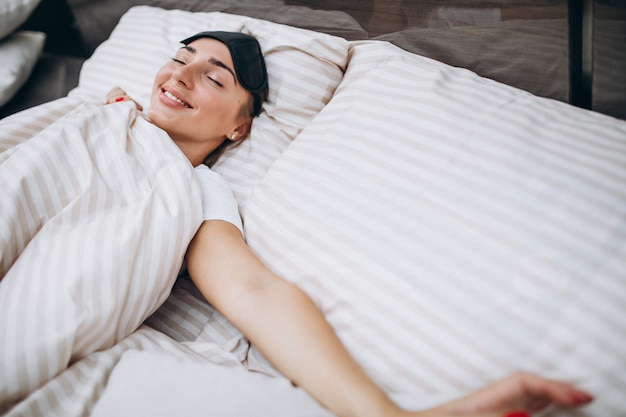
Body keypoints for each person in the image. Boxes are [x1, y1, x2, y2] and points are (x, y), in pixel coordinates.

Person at [106, 31, 592, 417]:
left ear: (239, 127)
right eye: (179, 56)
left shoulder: (194, 188)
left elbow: (252, 289)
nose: (183, 75)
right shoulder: (102, 117)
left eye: (215, 79)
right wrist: (112, 124)